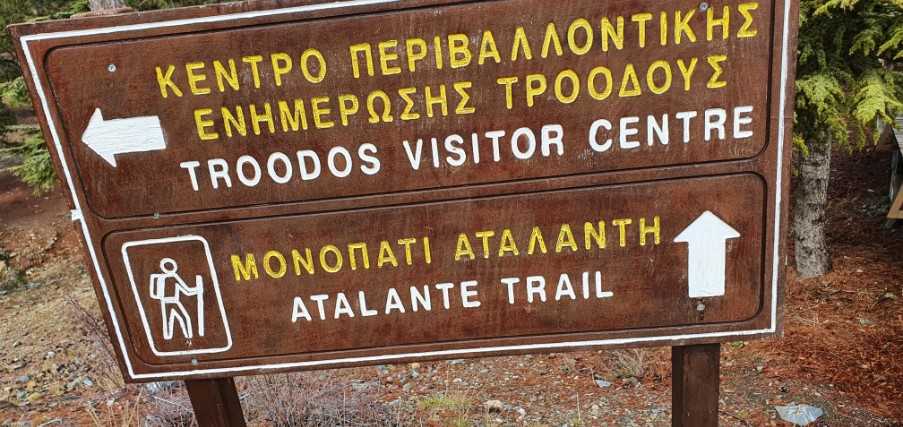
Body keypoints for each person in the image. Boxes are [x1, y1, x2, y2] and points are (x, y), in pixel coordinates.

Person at [149, 258, 204, 340]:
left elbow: (154, 294)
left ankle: (168, 337)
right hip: (173, 301)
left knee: (168, 320)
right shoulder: (173, 277)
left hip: (165, 302)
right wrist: (197, 289)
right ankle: (187, 336)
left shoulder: (160, 278)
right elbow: (187, 291)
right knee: (184, 318)